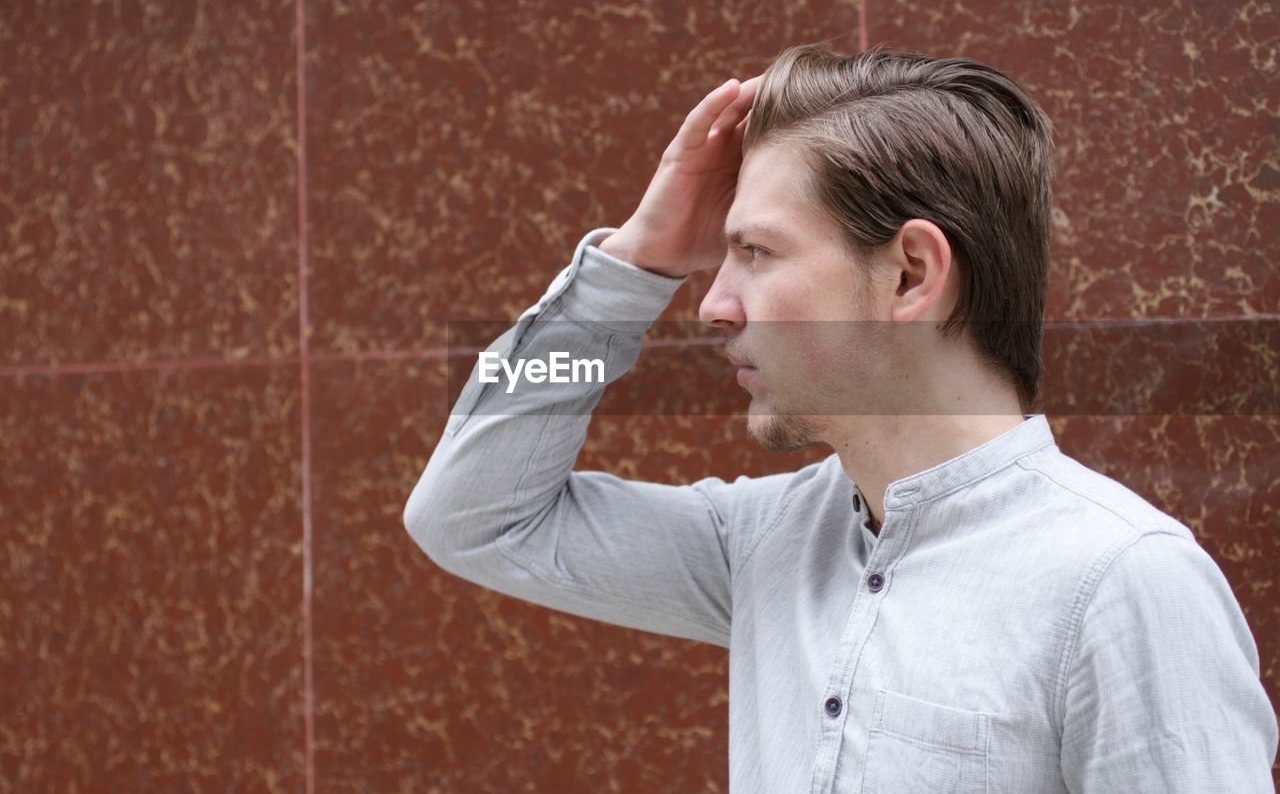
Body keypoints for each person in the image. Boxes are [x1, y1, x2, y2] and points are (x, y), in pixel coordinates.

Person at [404, 42, 1278, 791]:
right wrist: (629, 266)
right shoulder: (763, 546)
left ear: (909, 275)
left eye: (754, 251)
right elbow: (472, 516)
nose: (711, 303)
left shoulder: (1122, 583)